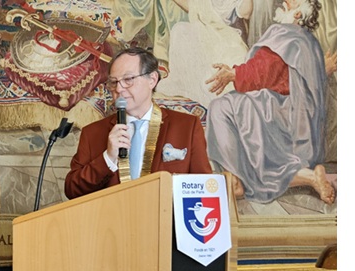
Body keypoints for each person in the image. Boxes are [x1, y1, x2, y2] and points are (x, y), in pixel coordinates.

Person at [204, 0, 335, 204]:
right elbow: (296, 81)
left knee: (221, 107)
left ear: (298, 14)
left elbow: (263, 73)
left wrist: (233, 73)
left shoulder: (285, 35)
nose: (285, 2)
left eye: (292, 2)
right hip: (303, 128)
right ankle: (309, 176)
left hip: (280, 116)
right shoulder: (310, 43)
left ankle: (236, 181)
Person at [64, 47, 211, 200]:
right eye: (113, 82)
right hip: (111, 222)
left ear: (152, 80)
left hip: (165, 221)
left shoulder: (187, 127)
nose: (119, 89)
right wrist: (108, 157)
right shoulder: (92, 133)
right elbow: (72, 190)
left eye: (128, 80)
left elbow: (204, 188)